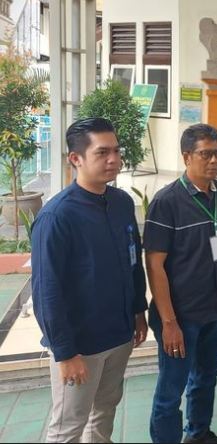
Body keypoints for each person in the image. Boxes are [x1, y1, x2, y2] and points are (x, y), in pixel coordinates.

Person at [31, 117, 148, 443]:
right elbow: (46, 292)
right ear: (76, 158)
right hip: (81, 346)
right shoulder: (57, 216)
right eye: (102, 153)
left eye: (116, 151)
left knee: (104, 412)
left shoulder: (122, 203)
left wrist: (138, 310)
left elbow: (133, 262)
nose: (114, 159)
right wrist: (65, 353)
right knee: (67, 427)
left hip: (119, 336)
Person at [144, 124, 217, 443]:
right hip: (182, 315)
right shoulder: (167, 202)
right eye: (206, 154)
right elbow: (154, 265)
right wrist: (169, 323)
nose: (214, 160)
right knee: (171, 391)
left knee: (206, 378)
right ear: (187, 156)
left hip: (216, 308)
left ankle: (198, 434)